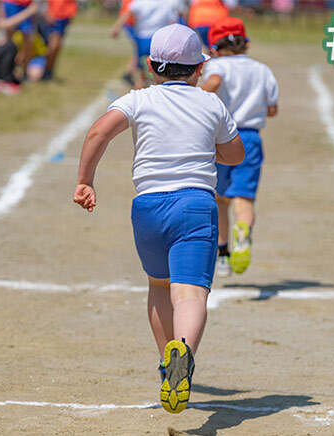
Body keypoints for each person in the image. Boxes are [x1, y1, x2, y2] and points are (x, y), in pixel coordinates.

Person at [73, 24, 243, 414]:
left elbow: (99, 132)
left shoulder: (137, 100)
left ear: (151, 66)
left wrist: (85, 181)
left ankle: (169, 366)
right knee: (190, 293)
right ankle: (183, 351)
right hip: (195, 206)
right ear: (199, 68)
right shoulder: (210, 104)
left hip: (147, 207)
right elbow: (234, 155)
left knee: (158, 286)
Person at [202, 17, 278, 277]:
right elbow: (272, 109)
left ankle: (222, 254)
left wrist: (200, 101)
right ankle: (242, 232)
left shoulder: (217, 66)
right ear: (246, 44)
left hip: (220, 137)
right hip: (251, 138)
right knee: (244, 198)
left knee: (219, 198)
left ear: (213, 48)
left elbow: (212, 85)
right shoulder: (262, 70)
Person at [110, 0, 179, 89]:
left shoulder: (140, 2)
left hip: (143, 39)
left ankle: (140, 93)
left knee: (140, 73)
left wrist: (116, 28)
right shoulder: (167, 3)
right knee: (159, 72)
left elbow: (127, 13)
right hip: (160, 40)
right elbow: (173, 22)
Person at [41, 0, 77, 81]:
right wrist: (46, 10)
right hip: (54, 14)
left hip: (64, 15)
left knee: (57, 46)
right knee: (52, 46)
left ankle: (50, 71)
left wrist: (71, 14)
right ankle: (45, 71)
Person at [2, 0, 33, 78]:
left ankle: (25, 73)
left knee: (28, 42)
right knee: (8, 40)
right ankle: (5, 71)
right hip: (11, 3)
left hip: (27, 5)